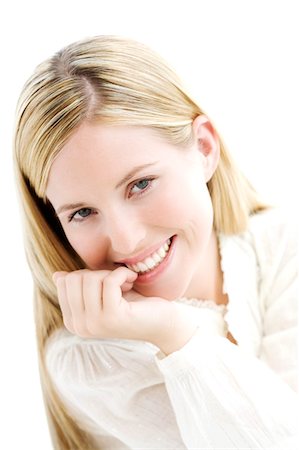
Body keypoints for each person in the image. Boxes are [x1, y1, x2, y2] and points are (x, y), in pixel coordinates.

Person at [13, 35, 298, 450]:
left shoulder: (282, 245)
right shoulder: (90, 358)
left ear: (203, 148)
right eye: (82, 212)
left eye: (140, 184)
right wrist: (173, 334)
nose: (126, 239)